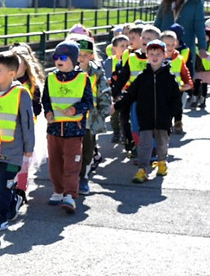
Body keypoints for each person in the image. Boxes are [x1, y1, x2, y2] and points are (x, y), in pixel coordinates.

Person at [0, 50, 35, 231]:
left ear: (12, 74)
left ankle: (1, 215)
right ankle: (14, 201)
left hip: (13, 152)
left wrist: (29, 148)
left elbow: (28, 123)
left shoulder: (21, 93)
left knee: (5, 184)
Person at [117, 39, 182, 183]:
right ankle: (142, 169)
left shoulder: (169, 77)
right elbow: (130, 93)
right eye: (151, 53)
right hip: (145, 117)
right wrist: (117, 105)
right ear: (147, 55)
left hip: (163, 118)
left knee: (161, 142)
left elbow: (176, 98)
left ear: (164, 55)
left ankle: (162, 162)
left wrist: (174, 114)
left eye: (158, 53)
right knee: (145, 143)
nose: (154, 56)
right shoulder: (142, 76)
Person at [42, 41, 93, 213]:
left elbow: (88, 103)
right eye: (56, 57)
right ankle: (58, 190)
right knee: (55, 163)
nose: (58, 60)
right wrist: (47, 113)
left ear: (73, 59)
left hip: (74, 130)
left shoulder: (83, 78)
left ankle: (70, 195)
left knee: (72, 164)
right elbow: (46, 101)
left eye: (63, 57)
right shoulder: (50, 78)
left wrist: (75, 109)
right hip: (54, 129)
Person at [153, 0, 208, 86]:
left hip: (185, 42)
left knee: (184, 71)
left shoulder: (195, 1)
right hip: (165, 42)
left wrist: (202, 46)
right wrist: (153, 39)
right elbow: (158, 21)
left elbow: (199, 24)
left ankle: (184, 95)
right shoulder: (167, 1)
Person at [9, 43, 45, 212]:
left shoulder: (32, 84)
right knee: (7, 160)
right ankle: (6, 186)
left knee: (24, 161)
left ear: (25, 63)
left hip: (27, 130)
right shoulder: (6, 82)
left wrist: (25, 106)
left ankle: (21, 189)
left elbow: (38, 107)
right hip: (9, 129)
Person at [76, 37, 111, 194]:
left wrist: (103, 113)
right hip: (71, 118)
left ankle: (83, 177)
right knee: (72, 150)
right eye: (79, 54)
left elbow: (104, 92)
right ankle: (71, 177)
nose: (81, 58)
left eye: (85, 55)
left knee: (87, 150)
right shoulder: (68, 72)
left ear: (91, 56)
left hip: (90, 118)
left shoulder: (96, 72)